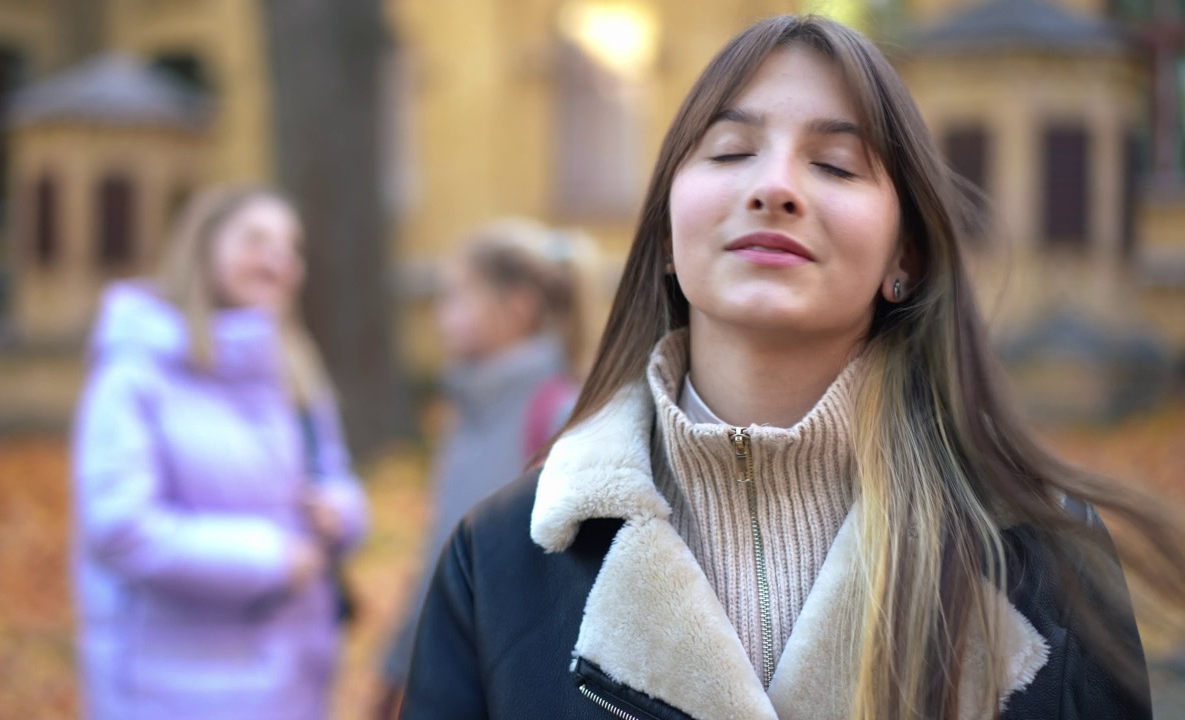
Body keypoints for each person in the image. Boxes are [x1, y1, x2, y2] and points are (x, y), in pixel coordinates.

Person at [399, 15, 1185, 720]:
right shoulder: (499, 561)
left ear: (903, 256)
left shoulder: (1040, 556)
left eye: (837, 166)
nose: (774, 187)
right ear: (669, 236)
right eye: (732, 150)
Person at [72, 186, 370, 720]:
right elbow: (119, 527)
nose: (278, 260)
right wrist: (269, 557)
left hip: (295, 677)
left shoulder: (295, 367)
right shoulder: (135, 373)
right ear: (203, 249)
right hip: (174, 689)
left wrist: (342, 511)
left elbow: (335, 475)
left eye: (290, 246)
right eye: (256, 240)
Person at [376, 218, 599, 716]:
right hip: (455, 677)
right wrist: (396, 666)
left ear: (518, 305)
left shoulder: (562, 415)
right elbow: (440, 553)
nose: (439, 315)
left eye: (455, 297)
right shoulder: (465, 412)